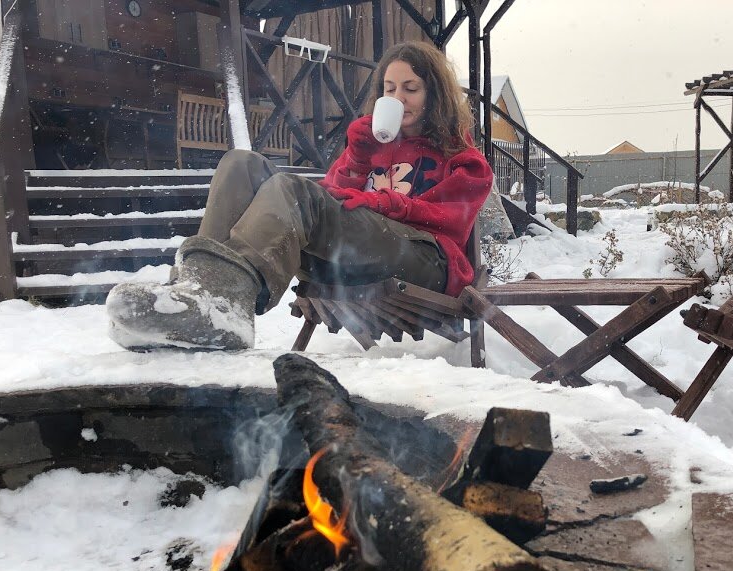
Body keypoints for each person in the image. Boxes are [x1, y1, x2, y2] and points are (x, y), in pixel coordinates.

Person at [107, 41, 494, 350]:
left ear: (434, 96)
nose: (398, 98)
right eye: (389, 90)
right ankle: (192, 294)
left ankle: (224, 305)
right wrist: (358, 159)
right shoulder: (374, 144)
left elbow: (452, 218)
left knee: (293, 191)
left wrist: (386, 203)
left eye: (411, 89)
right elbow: (333, 199)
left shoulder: (461, 158)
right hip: (359, 251)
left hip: (427, 259)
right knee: (241, 164)